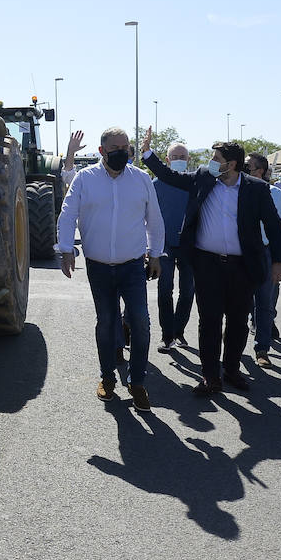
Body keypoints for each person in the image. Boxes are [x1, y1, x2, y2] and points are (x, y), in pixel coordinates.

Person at [140, 128, 281, 396]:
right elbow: (168, 176)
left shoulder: (256, 189)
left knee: (238, 322)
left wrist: (279, 261)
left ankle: (231, 370)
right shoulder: (203, 179)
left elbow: (275, 227)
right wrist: (148, 153)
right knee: (209, 320)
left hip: (243, 267)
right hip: (206, 264)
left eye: (216, 158)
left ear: (231, 164)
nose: (211, 162)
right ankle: (210, 375)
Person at [56, 127, 165, 412]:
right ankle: (107, 378)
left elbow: (154, 218)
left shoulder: (141, 180)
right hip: (99, 267)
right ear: (102, 151)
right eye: (115, 147)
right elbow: (68, 214)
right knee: (106, 322)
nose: (122, 152)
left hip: (132, 266)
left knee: (140, 322)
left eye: (126, 147)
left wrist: (155, 254)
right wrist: (66, 248)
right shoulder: (85, 179)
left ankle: (137, 382)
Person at [244, 153, 281, 367]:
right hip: (241, 253)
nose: (243, 168)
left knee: (264, 303)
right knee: (240, 301)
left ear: (260, 171)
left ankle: (262, 348)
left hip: (265, 253)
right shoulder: (234, 190)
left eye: (248, 166)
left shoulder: (274, 193)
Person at [154, 142, 196, 352]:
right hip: (164, 245)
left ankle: (179, 330)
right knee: (165, 290)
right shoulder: (156, 184)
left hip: (190, 246)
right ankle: (167, 335)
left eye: (183, 155)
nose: (179, 158)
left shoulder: (194, 183)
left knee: (188, 291)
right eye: (175, 156)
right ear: (167, 160)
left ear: (188, 160)